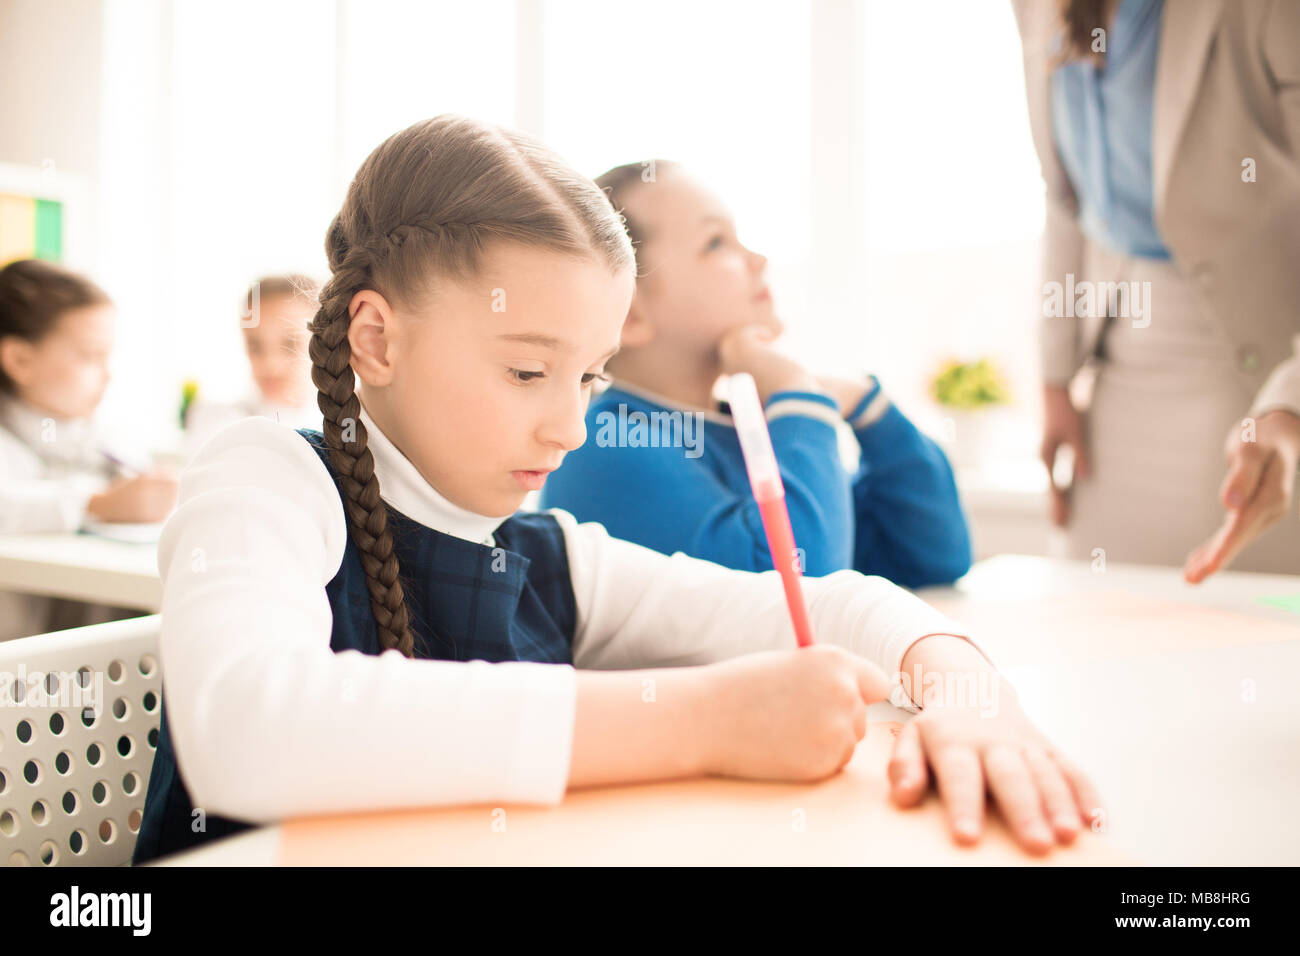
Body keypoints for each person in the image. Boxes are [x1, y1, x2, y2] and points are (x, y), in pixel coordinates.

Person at [134, 115, 1099, 864]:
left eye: (590, 377)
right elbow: (247, 731)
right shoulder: (266, 472)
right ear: (377, 339)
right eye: (526, 372)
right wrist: (705, 720)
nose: (569, 425)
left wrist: (973, 698)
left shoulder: (552, 553)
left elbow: (838, 603)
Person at [540, 161, 972, 588]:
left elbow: (934, 556)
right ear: (629, 312)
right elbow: (801, 592)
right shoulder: (607, 443)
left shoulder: (757, 430)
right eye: (715, 243)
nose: (758, 259)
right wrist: (794, 392)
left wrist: (867, 407)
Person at [1012, 0, 1300, 579]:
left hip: (1256, 382)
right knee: (1102, 626)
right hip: (1114, 388)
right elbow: (1064, 199)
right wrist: (1055, 381)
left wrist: (1291, 403)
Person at [0, 258, 177, 640]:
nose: (108, 373)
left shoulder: (96, 434)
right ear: (19, 360)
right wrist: (96, 504)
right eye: (89, 356)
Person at [181, 275, 322, 455]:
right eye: (255, 346)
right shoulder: (216, 423)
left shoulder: (347, 426)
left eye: (290, 344)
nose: (270, 364)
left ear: (323, 342)